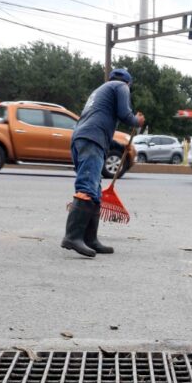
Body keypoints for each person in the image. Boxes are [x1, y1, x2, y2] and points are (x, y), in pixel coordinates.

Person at [62, 68, 145, 257]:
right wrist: (137, 121)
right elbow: (125, 114)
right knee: (87, 187)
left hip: (83, 138)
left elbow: (98, 122)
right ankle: (72, 236)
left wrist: (117, 145)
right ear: (128, 84)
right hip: (91, 140)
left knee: (95, 191)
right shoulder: (120, 87)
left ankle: (90, 239)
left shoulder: (100, 91)